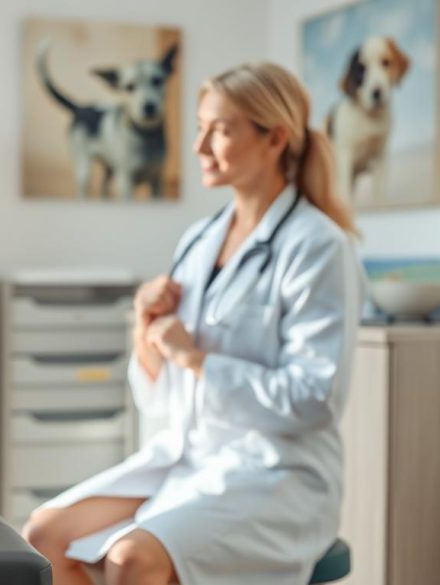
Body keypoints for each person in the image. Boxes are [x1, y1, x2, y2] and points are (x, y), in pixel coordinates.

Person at [22, 62, 364, 585]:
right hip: (189, 457)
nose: (200, 145)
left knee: (129, 561)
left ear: (274, 138)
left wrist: (195, 358)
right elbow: (161, 399)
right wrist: (144, 328)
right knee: (41, 538)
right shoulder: (200, 240)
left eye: (220, 130)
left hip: (277, 473)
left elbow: (317, 399)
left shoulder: (318, 246)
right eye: (200, 127)